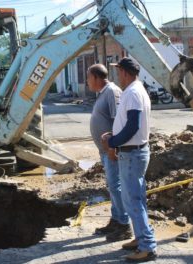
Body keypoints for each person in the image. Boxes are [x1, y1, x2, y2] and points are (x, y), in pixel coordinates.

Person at [102, 57, 157, 262]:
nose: (117, 75)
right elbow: (130, 123)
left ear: (125, 72)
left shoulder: (133, 92)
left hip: (132, 153)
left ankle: (147, 247)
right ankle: (140, 238)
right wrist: (114, 136)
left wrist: (113, 141)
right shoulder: (137, 90)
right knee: (136, 199)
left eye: (118, 71)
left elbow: (132, 126)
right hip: (135, 151)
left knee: (133, 201)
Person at [87, 64, 132, 242]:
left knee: (116, 186)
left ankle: (124, 225)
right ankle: (116, 220)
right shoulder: (103, 93)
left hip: (112, 150)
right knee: (112, 187)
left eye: (89, 77)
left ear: (97, 78)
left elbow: (118, 121)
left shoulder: (112, 92)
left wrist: (113, 147)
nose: (87, 82)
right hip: (105, 150)